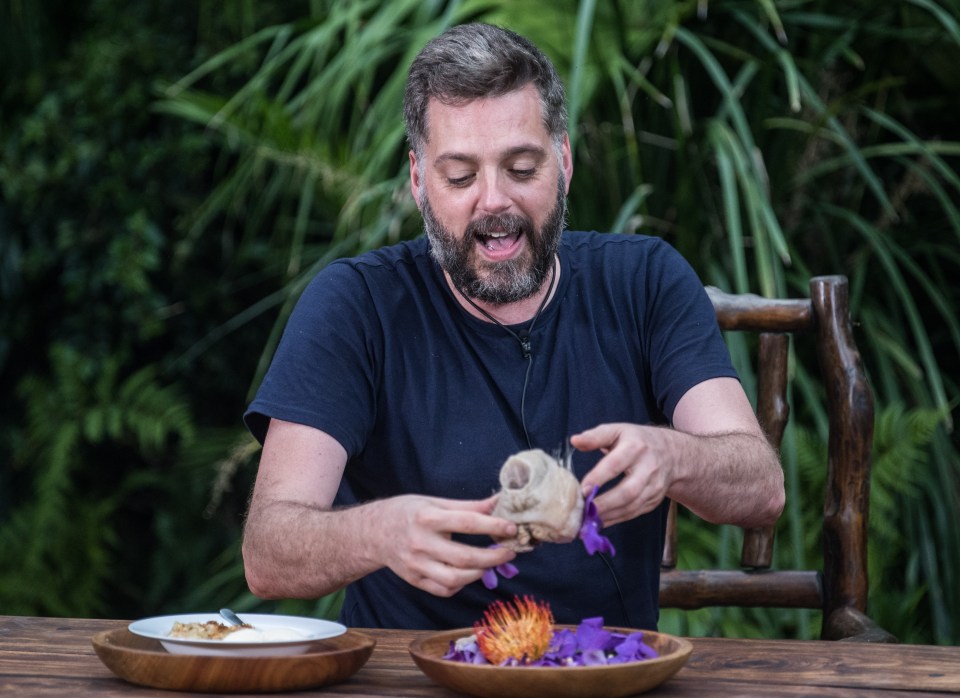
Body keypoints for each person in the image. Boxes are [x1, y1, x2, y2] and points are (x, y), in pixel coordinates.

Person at [241, 22, 784, 631]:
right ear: (419, 180)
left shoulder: (646, 279)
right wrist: (378, 531)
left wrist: (675, 457)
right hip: (414, 676)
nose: (493, 201)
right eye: (461, 177)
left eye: (522, 168)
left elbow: (760, 486)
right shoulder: (356, 304)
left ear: (564, 162)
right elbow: (268, 552)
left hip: (602, 676)